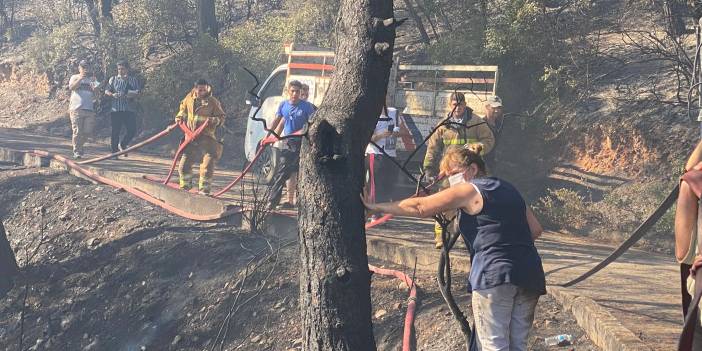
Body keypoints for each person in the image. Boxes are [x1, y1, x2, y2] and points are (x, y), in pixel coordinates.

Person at [363, 145, 545, 351]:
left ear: (473, 170)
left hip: (494, 276)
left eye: (454, 174)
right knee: (517, 346)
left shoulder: (470, 189)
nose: (451, 181)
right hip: (530, 274)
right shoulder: (509, 189)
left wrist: (376, 207)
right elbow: (536, 229)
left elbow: (420, 206)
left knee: (494, 345)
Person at [423, 92, 496, 248]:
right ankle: (441, 237)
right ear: (450, 105)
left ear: (465, 105)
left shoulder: (476, 122)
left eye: (460, 105)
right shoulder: (444, 125)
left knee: (470, 204)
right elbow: (432, 148)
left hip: (470, 172)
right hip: (450, 172)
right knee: (444, 203)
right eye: (454, 105)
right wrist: (428, 168)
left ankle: (466, 238)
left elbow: (489, 140)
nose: (457, 108)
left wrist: (479, 147)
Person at [266, 80, 316, 209]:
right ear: (288, 91)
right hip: (288, 142)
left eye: (297, 91)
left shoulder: (307, 107)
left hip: (303, 142)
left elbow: (312, 125)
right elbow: (277, 123)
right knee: (284, 170)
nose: (295, 94)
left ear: (301, 92)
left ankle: (302, 203)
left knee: (300, 173)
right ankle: (274, 201)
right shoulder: (283, 106)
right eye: (292, 91)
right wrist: (268, 138)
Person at [175, 79, 226, 195]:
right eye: (200, 90)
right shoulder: (189, 98)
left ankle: (204, 190)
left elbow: (221, 117)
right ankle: (185, 187)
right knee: (184, 165)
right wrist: (179, 117)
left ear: (208, 88)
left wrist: (214, 120)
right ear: (195, 89)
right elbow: (182, 109)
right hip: (190, 136)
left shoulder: (213, 102)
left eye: (204, 89)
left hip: (207, 136)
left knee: (208, 164)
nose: (202, 92)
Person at [365, 106, 402, 212]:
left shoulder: (393, 112)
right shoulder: (370, 113)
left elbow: (401, 130)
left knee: (389, 184)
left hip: (390, 155)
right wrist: (381, 135)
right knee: (376, 185)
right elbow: (367, 138)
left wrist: (395, 133)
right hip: (375, 154)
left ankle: (384, 209)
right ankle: (374, 212)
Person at [104, 60, 140, 157]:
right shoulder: (113, 79)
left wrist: (131, 94)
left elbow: (137, 92)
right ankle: (114, 152)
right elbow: (106, 90)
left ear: (127, 69)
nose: (120, 71)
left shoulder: (133, 80)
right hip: (116, 109)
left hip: (129, 108)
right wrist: (112, 94)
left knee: (132, 130)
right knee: (115, 131)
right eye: (119, 69)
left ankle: (123, 144)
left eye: (122, 69)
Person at [67, 60, 99, 159]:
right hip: (76, 108)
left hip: (89, 108)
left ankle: (79, 147)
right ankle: (76, 151)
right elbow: (71, 87)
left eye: (87, 67)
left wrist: (95, 84)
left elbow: (97, 94)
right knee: (77, 131)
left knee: (87, 131)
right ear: (79, 68)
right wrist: (80, 78)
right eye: (83, 67)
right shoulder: (75, 77)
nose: (85, 69)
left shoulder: (92, 79)